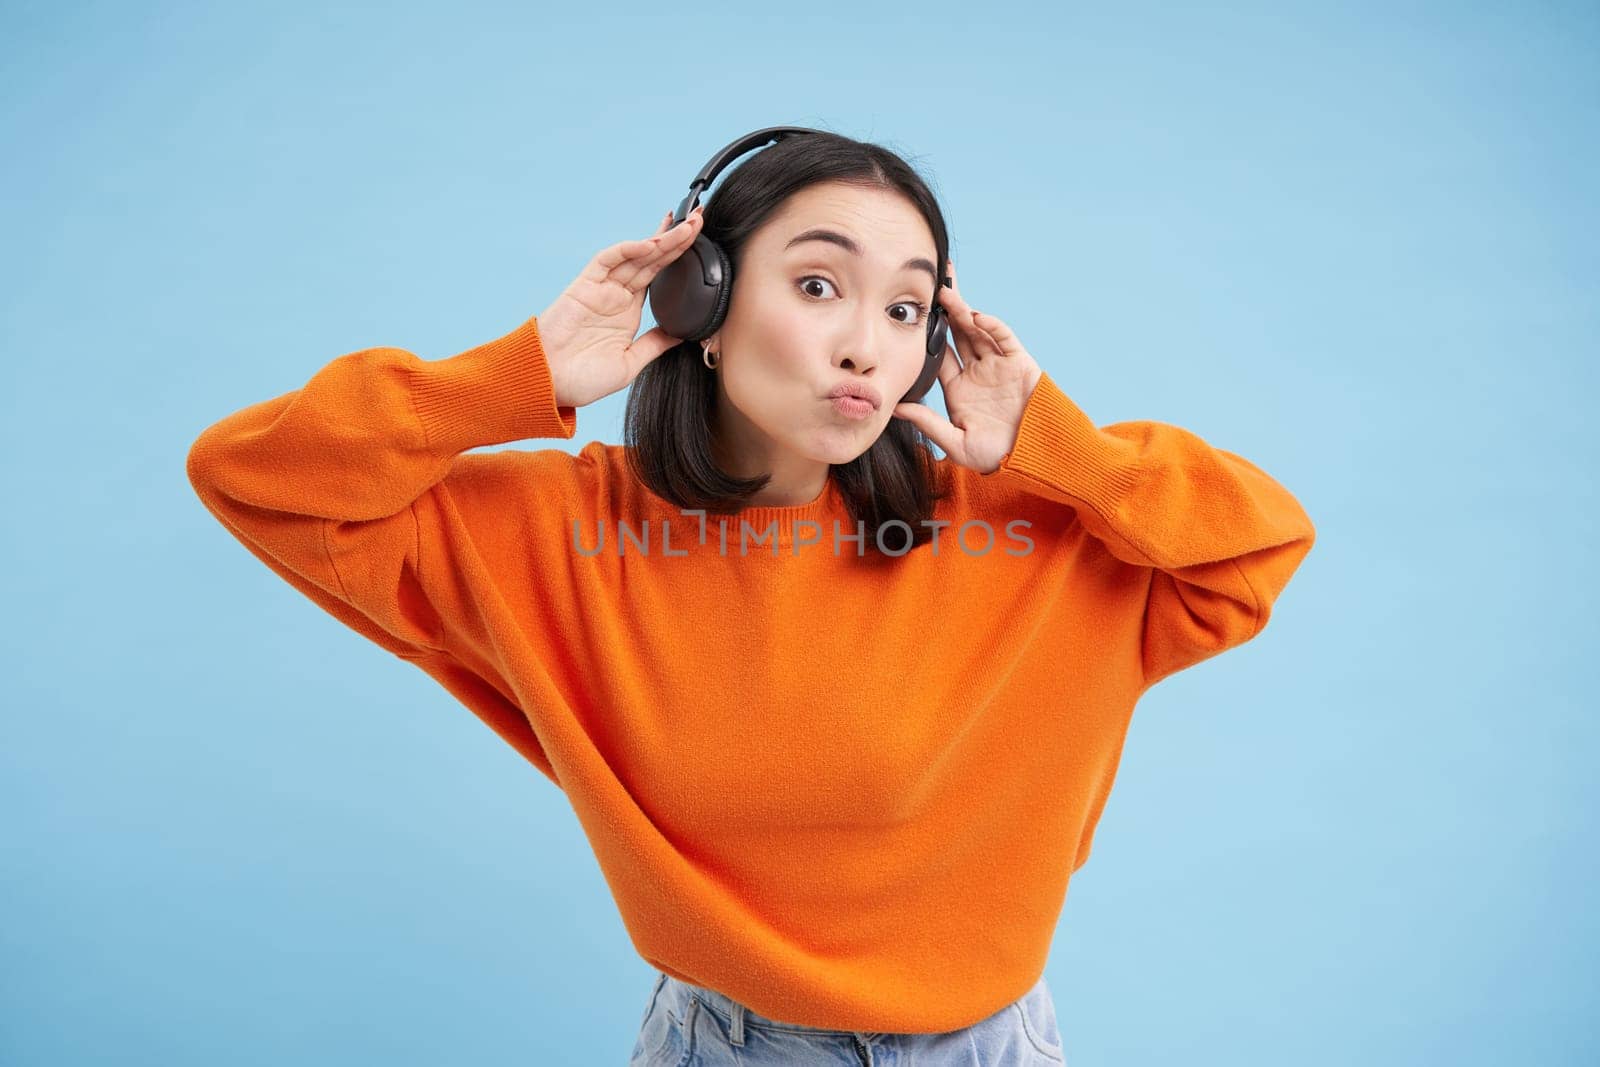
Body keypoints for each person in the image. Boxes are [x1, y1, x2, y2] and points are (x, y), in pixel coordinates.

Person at [186, 130, 1316, 1065]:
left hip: (999, 1041)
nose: (865, 346)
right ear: (702, 302)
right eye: (818, 285)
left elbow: (1257, 542)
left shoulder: (1020, 526)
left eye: (904, 310)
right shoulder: (562, 532)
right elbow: (258, 476)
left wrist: (1058, 446)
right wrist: (521, 373)